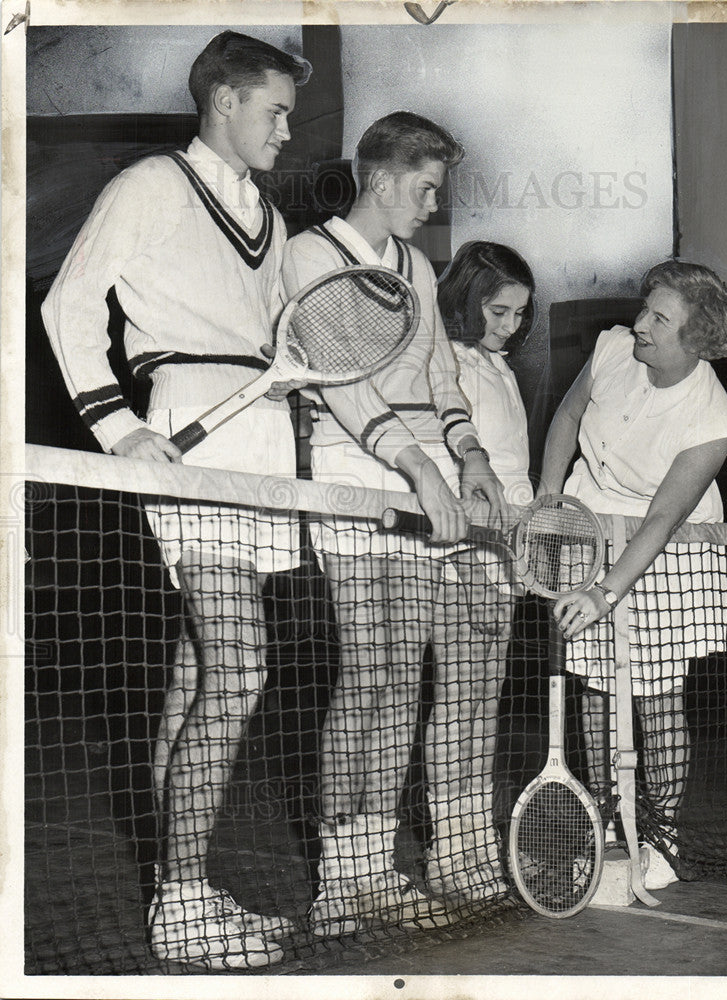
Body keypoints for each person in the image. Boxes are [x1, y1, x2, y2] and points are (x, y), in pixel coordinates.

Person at [41, 31, 311, 970]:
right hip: (186, 431)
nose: (286, 126)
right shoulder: (151, 184)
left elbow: (275, 337)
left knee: (203, 677)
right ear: (225, 100)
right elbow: (68, 305)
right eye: (273, 108)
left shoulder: (269, 217)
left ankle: (181, 889)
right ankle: (182, 904)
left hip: (262, 442)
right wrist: (119, 430)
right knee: (241, 666)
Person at [282, 112, 507, 937]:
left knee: (401, 679)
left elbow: (442, 377)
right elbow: (346, 386)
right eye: (423, 186)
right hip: (352, 482)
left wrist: (470, 457)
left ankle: (375, 869)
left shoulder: (414, 264)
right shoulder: (311, 256)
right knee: (366, 672)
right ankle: (339, 882)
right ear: (378, 180)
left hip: (426, 489)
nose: (431, 203)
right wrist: (416, 465)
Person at [537, 260, 727, 890]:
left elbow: (662, 516)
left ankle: (660, 834)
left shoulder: (709, 415)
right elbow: (569, 416)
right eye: (645, 308)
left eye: (661, 318)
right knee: (598, 694)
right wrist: (550, 499)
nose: (641, 324)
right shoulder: (611, 348)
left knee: (656, 704)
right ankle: (607, 823)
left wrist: (605, 592)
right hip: (591, 528)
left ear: (696, 341)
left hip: (671, 552)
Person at [433, 240, 536, 897]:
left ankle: (473, 842)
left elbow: (515, 480)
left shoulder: (501, 369)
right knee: (459, 700)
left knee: (485, 702)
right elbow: (462, 470)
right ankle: (450, 851)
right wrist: (481, 550)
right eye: (498, 312)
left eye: (520, 315)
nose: (510, 326)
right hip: (468, 554)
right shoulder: (450, 362)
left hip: (508, 555)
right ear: (466, 301)